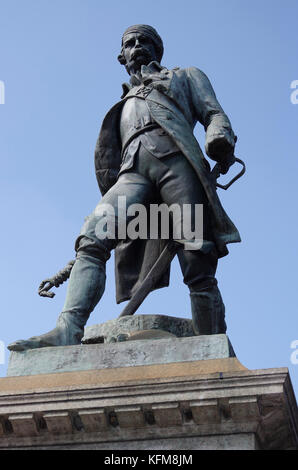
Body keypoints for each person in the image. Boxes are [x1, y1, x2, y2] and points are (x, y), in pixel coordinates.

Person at [8, 24, 240, 352]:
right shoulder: (125, 99)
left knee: (196, 255)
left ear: (157, 50)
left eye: (145, 41)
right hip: (132, 174)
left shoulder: (185, 75)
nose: (138, 46)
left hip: (178, 166)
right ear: (122, 55)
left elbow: (214, 112)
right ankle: (67, 329)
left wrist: (219, 136)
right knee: (92, 235)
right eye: (130, 43)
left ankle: (210, 343)